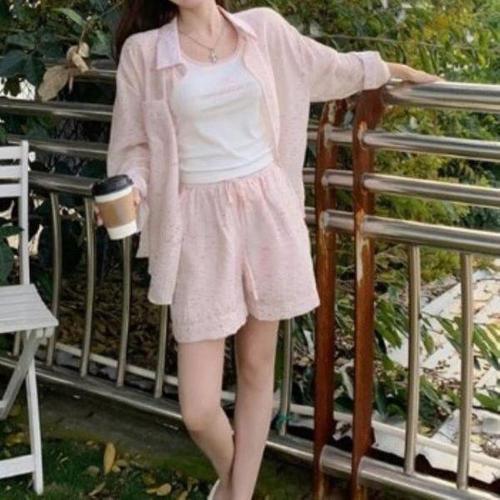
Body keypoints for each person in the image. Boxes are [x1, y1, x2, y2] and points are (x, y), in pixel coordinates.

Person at [96, 1, 442, 498]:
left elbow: (326, 67)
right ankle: (238, 483)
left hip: (265, 211)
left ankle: (237, 495)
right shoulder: (144, 52)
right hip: (198, 226)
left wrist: (386, 69)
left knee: (257, 369)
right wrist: (131, 189)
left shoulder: (262, 29)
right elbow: (136, 148)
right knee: (198, 408)